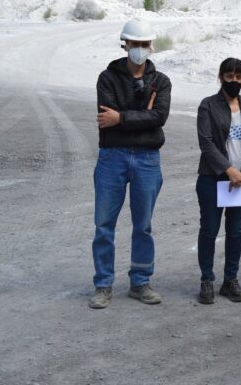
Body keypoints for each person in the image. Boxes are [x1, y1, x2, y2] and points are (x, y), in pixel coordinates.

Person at [89, 18, 172, 309]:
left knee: (143, 225)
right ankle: (103, 284)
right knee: (104, 225)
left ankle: (140, 282)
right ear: (125, 44)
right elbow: (106, 118)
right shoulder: (107, 78)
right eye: (134, 44)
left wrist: (121, 117)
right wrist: (142, 117)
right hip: (112, 157)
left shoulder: (161, 82)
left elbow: (158, 117)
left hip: (147, 159)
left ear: (151, 46)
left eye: (144, 44)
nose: (139, 49)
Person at [194, 57, 241, 304]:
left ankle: (230, 280)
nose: (234, 80)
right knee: (209, 230)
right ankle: (206, 280)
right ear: (221, 77)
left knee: (235, 231)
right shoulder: (208, 105)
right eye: (229, 76)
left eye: (239, 76)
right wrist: (228, 169)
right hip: (212, 179)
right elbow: (206, 142)